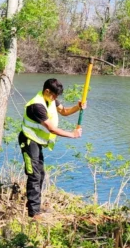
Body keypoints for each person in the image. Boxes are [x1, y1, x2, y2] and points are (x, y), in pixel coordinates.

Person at [19, 78, 85, 220]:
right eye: (54, 96)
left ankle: (33, 205)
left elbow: (65, 111)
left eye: (57, 97)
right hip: (29, 141)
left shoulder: (50, 100)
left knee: (40, 174)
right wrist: (72, 135)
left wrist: (78, 107)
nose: (56, 99)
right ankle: (34, 213)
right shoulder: (37, 106)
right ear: (47, 91)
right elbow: (51, 129)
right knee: (34, 175)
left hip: (37, 142)